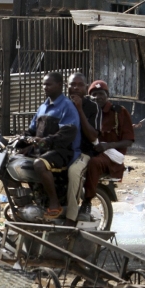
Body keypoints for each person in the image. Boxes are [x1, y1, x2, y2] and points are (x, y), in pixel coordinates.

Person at [24, 72, 81, 219]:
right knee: (14, 162)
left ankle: (55, 203)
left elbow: (67, 133)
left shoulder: (67, 106)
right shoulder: (43, 106)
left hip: (61, 151)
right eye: (43, 84)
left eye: (48, 84)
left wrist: (46, 140)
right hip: (42, 149)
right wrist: (21, 138)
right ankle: (31, 200)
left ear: (60, 85)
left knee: (39, 165)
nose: (45, 87)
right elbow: (32, 130)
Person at [82, 80, 134, 215]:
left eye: (101, 94)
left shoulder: (119, 112)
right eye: (94, 94)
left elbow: (129, 140)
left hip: (111, 156)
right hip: (90, 150)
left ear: (107, 95)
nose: (97, 97)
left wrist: (108, 145)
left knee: (93, 163)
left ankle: (87, 202)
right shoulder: (87, 112)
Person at [65, 73, 99, 225]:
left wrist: (79, 109)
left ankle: (71, 217)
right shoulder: (62, 104)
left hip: (83, 152)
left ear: (86, 88)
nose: (76, 88)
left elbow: (92, 136)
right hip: (63, 151)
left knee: (74, 171)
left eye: (79, 85)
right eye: (72, 84)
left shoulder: (92, 107)